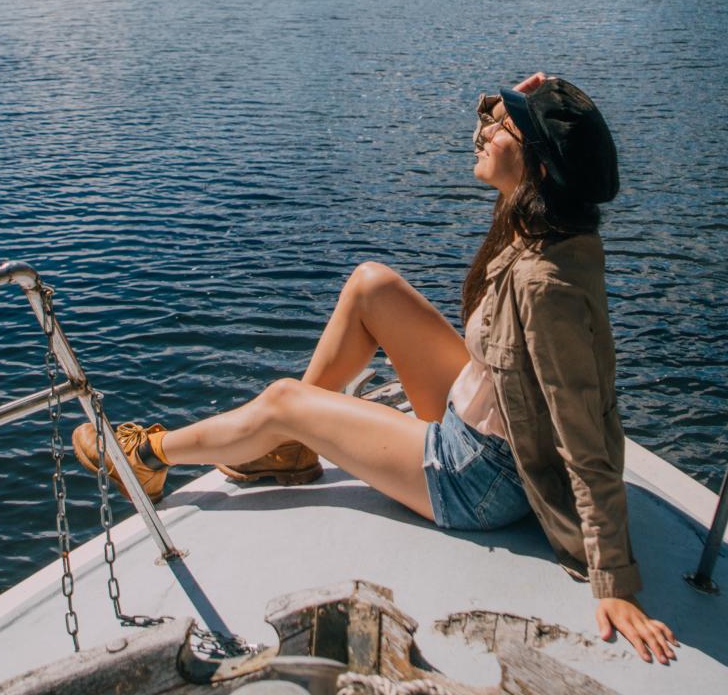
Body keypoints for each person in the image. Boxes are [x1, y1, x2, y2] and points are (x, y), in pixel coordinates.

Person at [74, 73, 678, 664]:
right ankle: (290, 449)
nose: (486, 132)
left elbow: (583, 431)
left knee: (283, 398)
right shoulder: (547, 220)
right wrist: (516, 103)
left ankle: (147, 459)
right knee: (372, 285)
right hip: (480, 416)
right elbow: (511, 149)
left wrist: (615, 583)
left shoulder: (546, 286)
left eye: (503, 129)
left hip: (479, 476)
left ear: (539, 168)